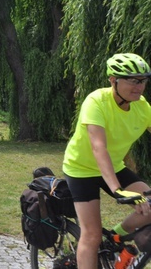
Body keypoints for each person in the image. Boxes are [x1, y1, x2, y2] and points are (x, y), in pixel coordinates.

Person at [63, 53, 151, 268]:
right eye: (133, 80)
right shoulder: (96, 101)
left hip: (115, 166)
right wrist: (117, 190)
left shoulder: (142, 107)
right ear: (113, 80)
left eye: (143, 80)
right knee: (92, 235)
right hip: (81, 170)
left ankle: (115, 236)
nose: (139, 86)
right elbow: (98, 147)